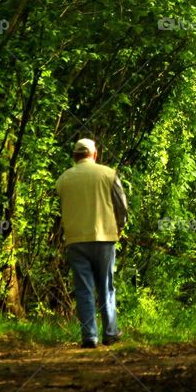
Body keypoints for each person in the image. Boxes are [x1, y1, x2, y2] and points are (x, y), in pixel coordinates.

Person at [55, 138, 127, 348]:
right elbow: (121, 205)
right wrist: (120, 227)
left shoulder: (64, 179)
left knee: (84, 289)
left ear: (75, 156)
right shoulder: (108, 174)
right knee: (106, 286)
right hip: (104, 238)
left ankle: (89, 336)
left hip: (76, 239)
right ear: (94, 155)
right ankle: (111, 332)